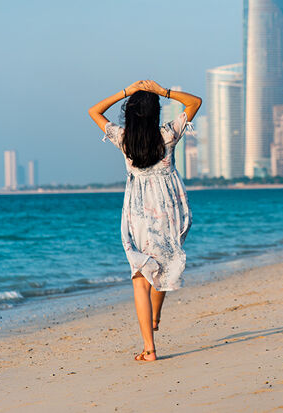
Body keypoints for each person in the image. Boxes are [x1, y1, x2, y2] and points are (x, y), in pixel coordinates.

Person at [87, 80, 201, 362]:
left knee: (140, 277)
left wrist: (125, 92)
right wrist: (163, 92)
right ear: (156, 113)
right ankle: (156, 315)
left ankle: (150, 349)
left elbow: (94, 111)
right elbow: (195, 102)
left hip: (138, 213)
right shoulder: (167, 135)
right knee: (163, 265)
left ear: (129, 115)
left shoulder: (124, 139)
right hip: (167, 211)